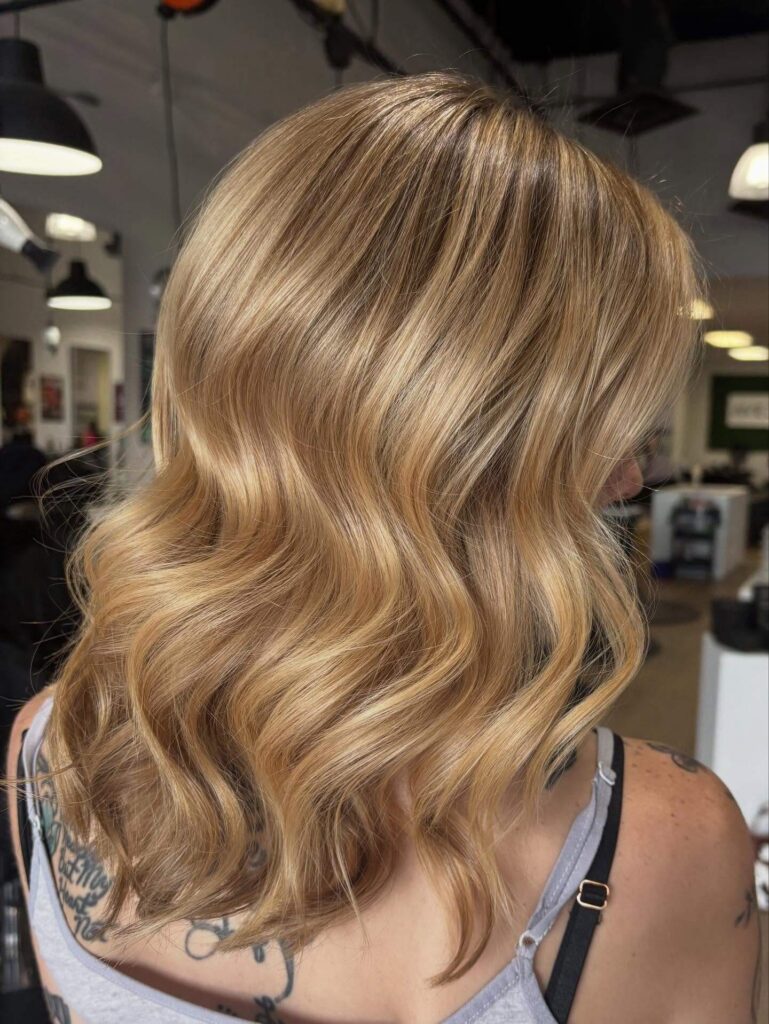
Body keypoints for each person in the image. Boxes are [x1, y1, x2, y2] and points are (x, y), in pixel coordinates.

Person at [4, 71, 760, 1024]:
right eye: (607, 433)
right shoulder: (660, 842)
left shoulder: (52, 745)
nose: (628, 480)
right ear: (454, 448)